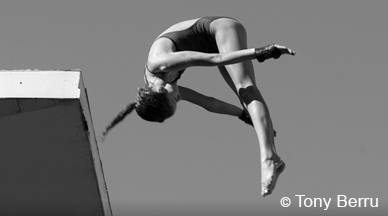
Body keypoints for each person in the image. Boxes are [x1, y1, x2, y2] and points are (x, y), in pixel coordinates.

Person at [100, 16, 295, 197]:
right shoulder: (166, 87)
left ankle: (269, 158)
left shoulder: (159, 63)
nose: (179, 97)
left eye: (175, 100)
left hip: (220, 29)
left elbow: (214, 60)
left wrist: (263, 52)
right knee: (245, 98)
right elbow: (209, 103)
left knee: (246, 89)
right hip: (212, 46)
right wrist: (245, 117)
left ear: (160, 92)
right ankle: (272, 156)